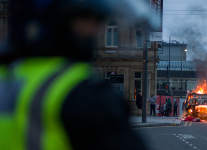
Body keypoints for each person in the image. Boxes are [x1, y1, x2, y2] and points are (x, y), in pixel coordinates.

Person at [0, 0, 147, 149]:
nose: (95, 30)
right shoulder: (84, 93)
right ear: (58, 21)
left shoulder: (5, 76)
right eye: (86, 18)